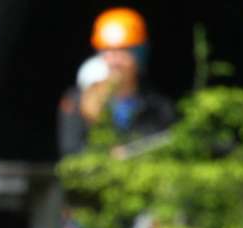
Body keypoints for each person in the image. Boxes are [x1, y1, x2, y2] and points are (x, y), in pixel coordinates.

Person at [57, 7, 176, 157]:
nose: (114, 61)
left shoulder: (158, 105)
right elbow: (71, 152)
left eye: (123, 51)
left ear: (140, 54)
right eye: (108, 51)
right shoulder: (76, 100)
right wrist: (107, 157)